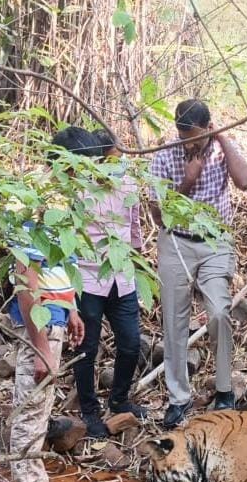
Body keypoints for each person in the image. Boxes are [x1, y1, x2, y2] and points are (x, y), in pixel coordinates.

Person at [149, 99, 247, 429]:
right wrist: (188, 181)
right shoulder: (166, 155)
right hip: (175, 240)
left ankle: (224, 390)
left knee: (219, 312)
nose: (187, 141)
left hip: (214, 242)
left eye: (193, 134)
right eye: (182, 133)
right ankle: (178, 397)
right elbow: (158, 213)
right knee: (174, 319)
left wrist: (222, 140)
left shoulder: (223, 148)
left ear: (209, 128)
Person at [8, 128, 89, 482]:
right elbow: (26, 278)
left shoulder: (62, 205)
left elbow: (60, 266)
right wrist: (41, 345)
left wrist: (71, 308)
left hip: (55, 316)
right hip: (40, 322)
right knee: (30, 411)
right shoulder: (35, 205)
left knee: (36, 408)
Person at [62, 126, 147, 438]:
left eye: (119, 157)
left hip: (122, 276)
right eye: (111, 158)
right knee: (87, 347)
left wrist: (138, 260)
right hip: (88, 278)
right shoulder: (77, 187)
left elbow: (134, 222)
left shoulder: (128, 180)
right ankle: (89, 410)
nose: (117, 163)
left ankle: (120, 399)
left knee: (131, 342)